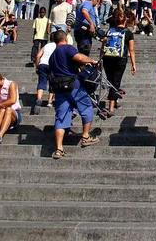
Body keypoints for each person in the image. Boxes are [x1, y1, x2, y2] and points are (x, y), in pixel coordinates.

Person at [49, 30, 99, 158]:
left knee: (61, 116)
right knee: (86, 106)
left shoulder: (52, 55)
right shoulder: (67, 48)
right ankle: (86, 136)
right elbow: (79, 58)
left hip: (58, 88)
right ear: (65, 39)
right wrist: (92, 61)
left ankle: (59, 148)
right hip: (72, 85)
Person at [102, 11, 136, 114]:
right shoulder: (128, 33)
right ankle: (111, 106)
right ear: (125, 20)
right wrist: (133, 64)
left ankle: (115, 99)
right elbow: (131, 50)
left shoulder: (109, 31)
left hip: (107, 57)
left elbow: (103, 46)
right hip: (120, 59)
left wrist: (100, 59)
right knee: (116, 81)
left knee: (110, 79)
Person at [33, 37, 56, 113]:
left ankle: (39, 99)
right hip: (51, 65)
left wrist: (37, 66)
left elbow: (38, 56)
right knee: (52, 83)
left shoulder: (45, 46)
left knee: (41, 82)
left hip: (42, 64)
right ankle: (49, 102)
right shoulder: (57, 46)